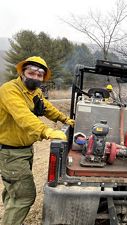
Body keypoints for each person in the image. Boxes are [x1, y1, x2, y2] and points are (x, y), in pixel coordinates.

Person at [0, 56, 74, 225]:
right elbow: (23, 116)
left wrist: (64, 119)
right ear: (22, 72)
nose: (35, 77)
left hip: (24, 149)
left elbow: (46, 107)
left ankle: (10, 218)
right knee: (24, 197)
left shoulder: (35, 92)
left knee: (14, 191)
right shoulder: (9, 90)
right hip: (10, 152)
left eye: (39, 75)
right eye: (31, 73)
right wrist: (46, 131)